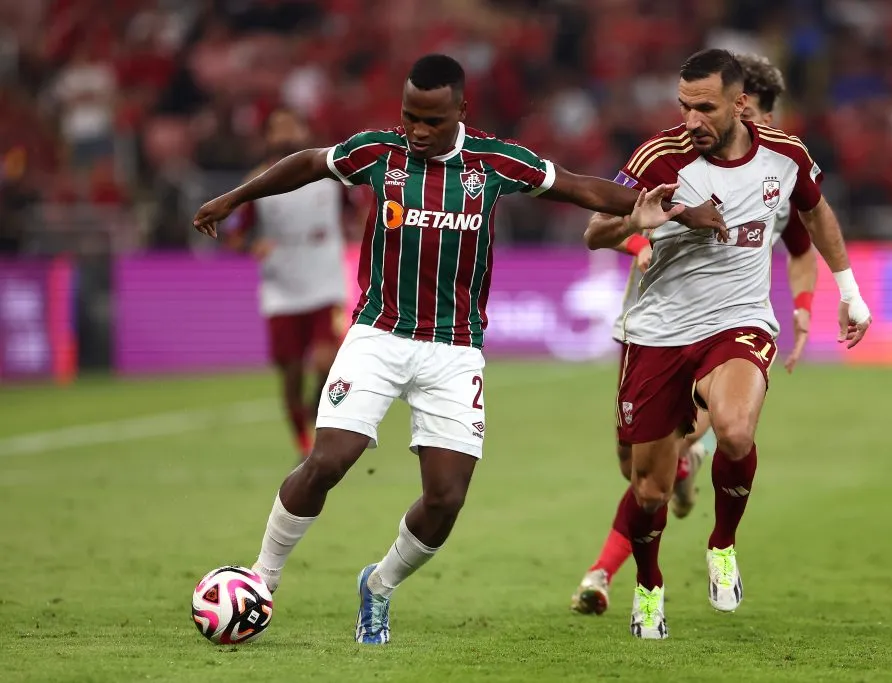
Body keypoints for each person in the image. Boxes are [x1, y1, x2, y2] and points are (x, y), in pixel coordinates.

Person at [192, 54, 726, 645]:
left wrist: (670, 210)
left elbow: (579, 187)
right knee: (329, 459)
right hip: (379, 335)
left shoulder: (494, 162)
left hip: (455, 350)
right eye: (410, 117)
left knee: (446, 498)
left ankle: (379, 585)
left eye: (432, 121)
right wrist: (234, 198)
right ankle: (261, 579)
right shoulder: (379, 153)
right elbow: (308, 162)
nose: (418, 131)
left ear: (461, 112)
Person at [582, 48, 872, 639]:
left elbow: (815, 218)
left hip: (738, 321)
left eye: (705, 108)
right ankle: (649, 584)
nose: (692, 120)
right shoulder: (659, 157)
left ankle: (722, 544)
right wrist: (643, 222)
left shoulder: (785, 155)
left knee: (735, 430)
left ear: (740, 104)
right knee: (647, 486)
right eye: (684, 107)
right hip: (659, 332)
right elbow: (595, 232)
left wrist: (848, 291)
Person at [222, 107, 352, 460]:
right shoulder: (258, 183)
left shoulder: (331, 173)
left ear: (305, 131)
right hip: (282, 288)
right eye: (278, 128)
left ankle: (317, 413)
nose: (285, 135)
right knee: (291, 373)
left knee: (327, 361)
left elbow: (356, 211)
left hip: (325, 280)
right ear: (267, 137)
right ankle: (303, 445)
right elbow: (233, 234)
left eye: (291, 127)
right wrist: (252, 244)